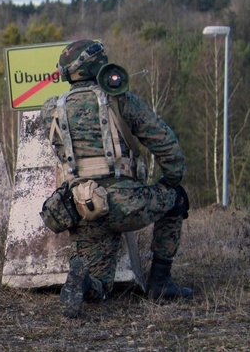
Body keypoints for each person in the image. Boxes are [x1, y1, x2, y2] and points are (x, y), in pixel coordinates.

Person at [41, 39, 193, 318]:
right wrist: (171, 180)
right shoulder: (119, 99)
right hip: (127, 204)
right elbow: (165, 143)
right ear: (97, 66)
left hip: (85, 207)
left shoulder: (50, 109)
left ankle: (84, 282)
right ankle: (160, 284)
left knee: (101, 284)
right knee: (176, 200)